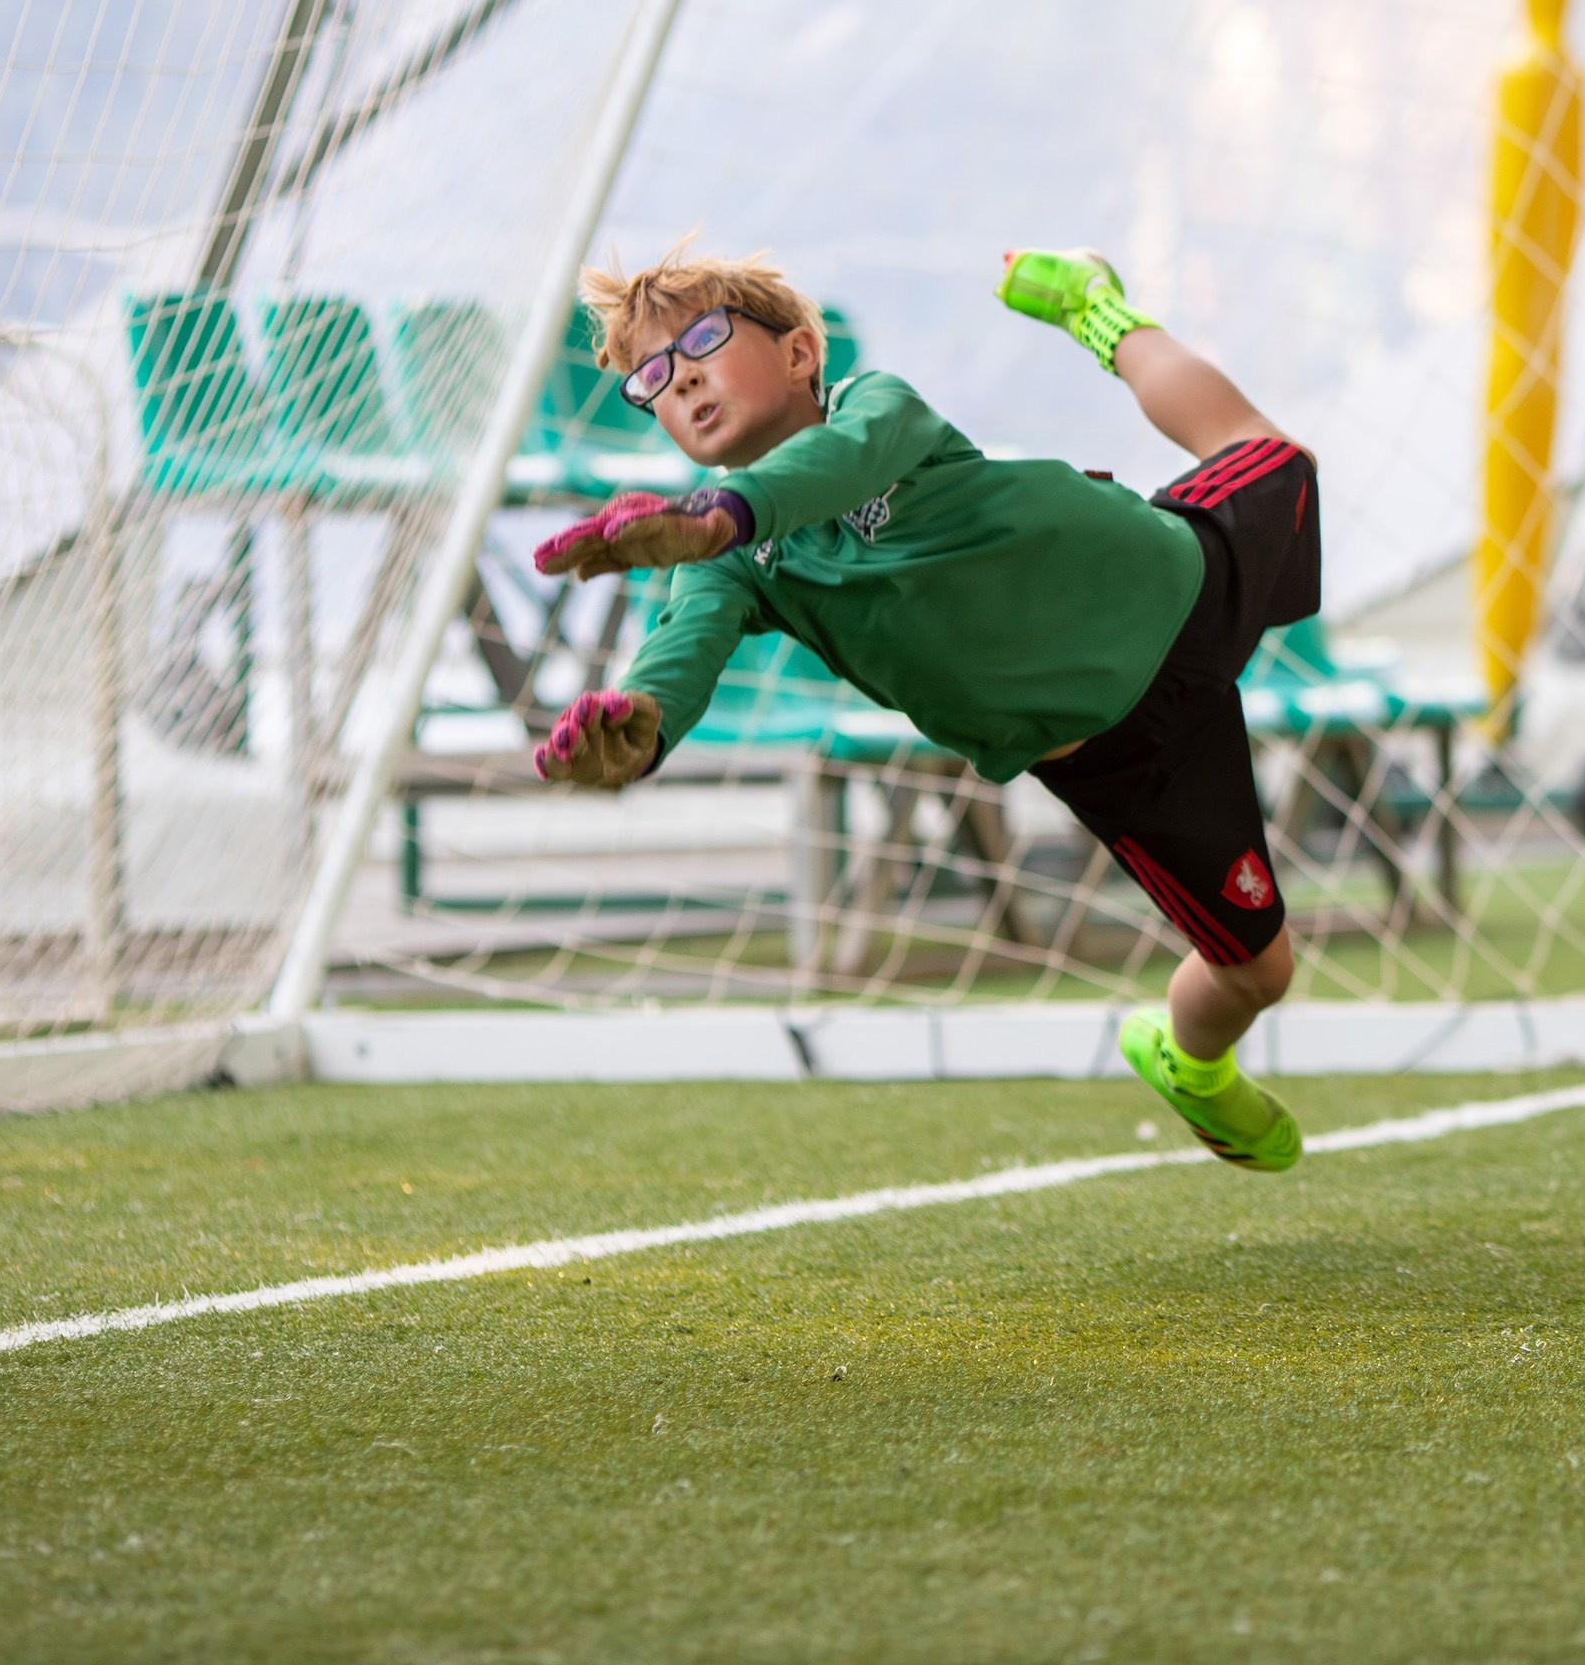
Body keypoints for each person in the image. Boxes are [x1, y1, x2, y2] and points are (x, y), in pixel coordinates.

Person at [530, 243, 1317, 1172]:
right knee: (1257, 969)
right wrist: (645, 723)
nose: (683, 376)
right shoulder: (729, 562)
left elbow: (833, 464)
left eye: (704, 337)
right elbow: (683, 643)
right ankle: (1191, 1067)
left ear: (797, 355)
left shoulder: (876, 407)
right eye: (652, 378)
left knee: (1270, 455)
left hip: (1185, 570)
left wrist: (721, 512)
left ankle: (1096, 311)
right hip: (1124, 752)